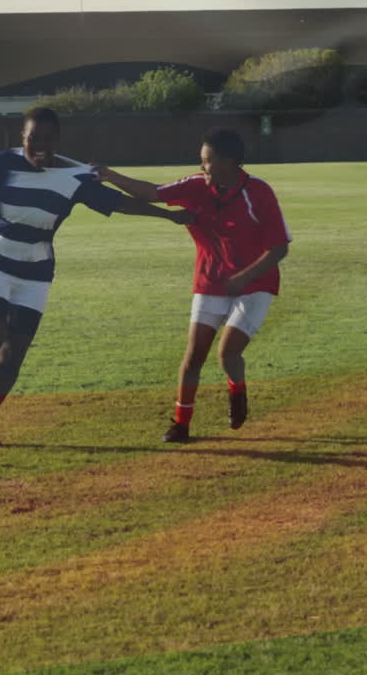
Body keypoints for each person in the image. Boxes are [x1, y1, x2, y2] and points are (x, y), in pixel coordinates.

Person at [0, 107, 193, 448]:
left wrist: (169, 217)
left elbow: (122, 203)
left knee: (12, 356)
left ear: (57, 140)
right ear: (21, 137)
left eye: (44, 139)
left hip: (35, 274)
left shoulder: (77, 177)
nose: (36, 145)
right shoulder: (2, 161)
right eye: (30, 138)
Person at [96, 128, 290, 442]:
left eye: (208, 161)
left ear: (229, 162)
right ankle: (181, 424)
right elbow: (151, 192)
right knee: (193, 356)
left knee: (227, 354)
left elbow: (279, 248)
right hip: (211, 280)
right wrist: (109, 176)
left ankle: (237, 392)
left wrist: (243, 277)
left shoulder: (258, 192)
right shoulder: (197, 185)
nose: (202, 167)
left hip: (256, 283)